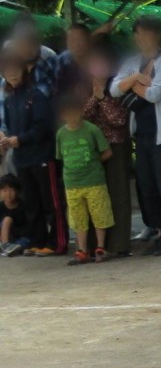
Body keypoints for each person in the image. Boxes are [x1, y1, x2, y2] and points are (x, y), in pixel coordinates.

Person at [112, 16, 161, 256]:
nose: (139, 37)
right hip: (141, 134)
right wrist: (134, 79)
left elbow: (155, 94)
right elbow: (114, 89)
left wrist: (130, 86)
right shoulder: (133, 63)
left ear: (156, 34)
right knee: (148, 186)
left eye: (144, 32)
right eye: (137, 33)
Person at [0, 53, 60, 255]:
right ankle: (37, 241)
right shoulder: (9, 99)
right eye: (7, 71)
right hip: (21, 158)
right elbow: (8, 127)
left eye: (15, 69)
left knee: (50, 201)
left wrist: (21, 139)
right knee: (32, 203)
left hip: (42, 156)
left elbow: (44, 127)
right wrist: (6, 138)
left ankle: (56, 243)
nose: (12, 74)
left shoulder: (36, 95)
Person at [80, 53, 130, 258]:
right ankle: (93, 245)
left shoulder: (119, 86)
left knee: (118, 195)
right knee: (93, 197)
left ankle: (118, 245)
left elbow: (119, 120)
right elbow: (81, 117)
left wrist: (102, 97)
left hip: (116, 146)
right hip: (90, 149)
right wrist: (94, 97)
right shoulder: (82, 88)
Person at [54, 93, 112, 265]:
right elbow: (60, 157)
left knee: (100, 213)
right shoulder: (61, 134)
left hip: (94, 180)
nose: (72, 116)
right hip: (72, 183)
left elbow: (107, 152)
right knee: (78, 217)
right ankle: (82, 250)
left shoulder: (91, 129)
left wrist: (93, 163)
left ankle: (100, 247)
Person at [0, 173, 31, 256]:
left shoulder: (23, 206)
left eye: (12, 190)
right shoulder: (1, 207)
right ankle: (7, 246)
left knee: (7, 219)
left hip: (22, 238)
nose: (8, 194)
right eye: (5, 191)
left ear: (18, 191)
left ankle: (8, 248)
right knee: (6, 220)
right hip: (6, 238)